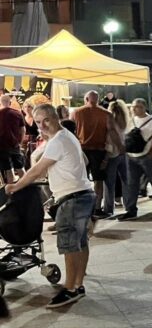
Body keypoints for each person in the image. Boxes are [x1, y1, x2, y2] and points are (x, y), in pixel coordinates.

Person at [5, 104, 95, 308]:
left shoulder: (58, 141)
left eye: (46, 120)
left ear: (56, 118)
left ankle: (70, 289)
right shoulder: (66, 136)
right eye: (38, 122)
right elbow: (84, 160)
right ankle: (78, 285)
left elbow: (37, 170)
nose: (42, 125)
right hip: (83, 194)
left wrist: (16, 186)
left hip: (71, 199)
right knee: (80, 243)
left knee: (70, 247)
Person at [119, 98, 152, 220]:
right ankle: (131, 210)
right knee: (131, 184)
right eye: (133, 107)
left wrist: (151, 153)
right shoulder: (131, 120)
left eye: (138, 107)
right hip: (131, 157)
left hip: (147, 158)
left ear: (144, 108)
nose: (134, 109)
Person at [70, 90, 111, 214]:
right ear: (98, 99)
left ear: (86, 99)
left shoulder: (76, 112)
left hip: (81, 150)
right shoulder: (106, 113)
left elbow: (71, 131)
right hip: (99, 150)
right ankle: (97, 207)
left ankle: (82, 207)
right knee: (98, 180)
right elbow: (110, 133)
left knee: (81, 179)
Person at [102, 100, 129, 217]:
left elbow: (109, 139)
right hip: (124, 154)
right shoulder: (125, 122)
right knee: (126, 181)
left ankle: (108, 209)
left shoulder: (110, 121)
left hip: (112, 154)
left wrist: (105, 158)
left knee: (109, 184)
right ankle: (129, 205)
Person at [0, 94, 26, 184]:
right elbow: (23, 130)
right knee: (20, 168)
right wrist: (20, 143)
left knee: (8, 169)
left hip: (1, 146)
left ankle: (11, 190)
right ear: (10, 102)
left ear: (1, 103)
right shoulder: (18, 113)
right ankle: (27, 188)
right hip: (15, 145)